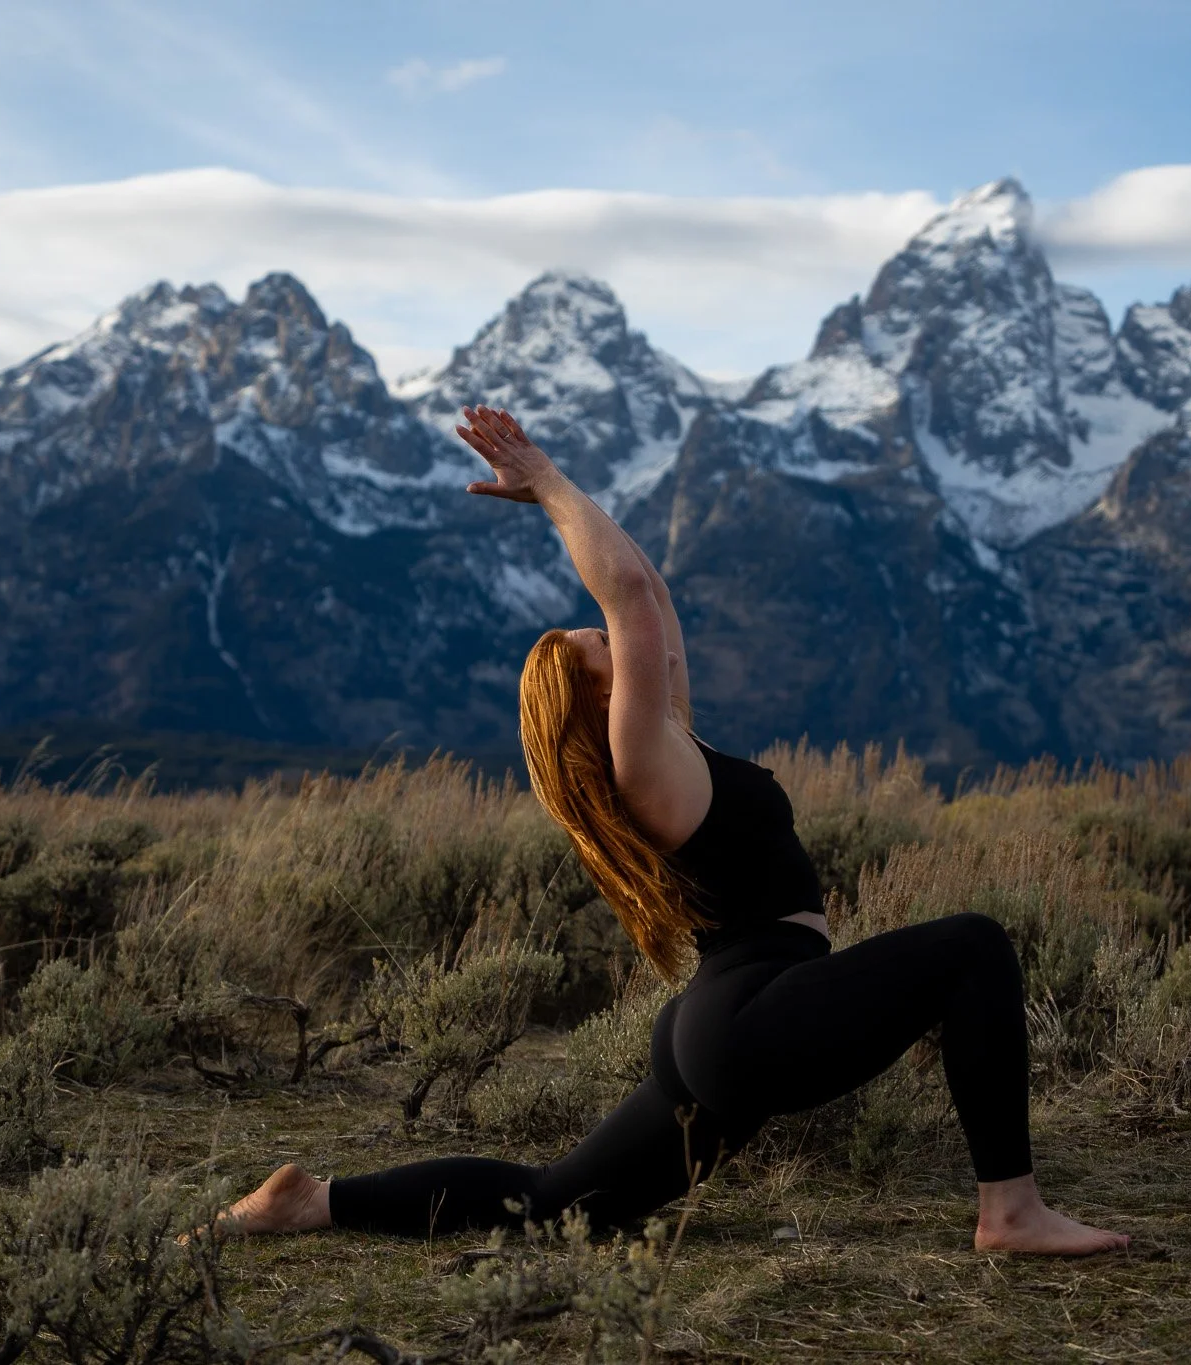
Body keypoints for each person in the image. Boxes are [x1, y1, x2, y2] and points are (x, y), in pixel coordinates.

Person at [217, 407, 1128, 1256]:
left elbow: (645, 589)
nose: (621, 641)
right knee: (974, 948)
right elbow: (632, 602)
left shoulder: (665, 749)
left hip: (721, 1022)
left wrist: (561, 507)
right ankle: (1009, 1208)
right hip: (746, 1018)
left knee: (554, 1207)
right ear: (598, 697)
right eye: (598, 645)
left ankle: (316, 1199)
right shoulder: (637, 764)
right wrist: (546, 480)